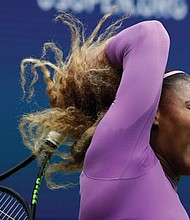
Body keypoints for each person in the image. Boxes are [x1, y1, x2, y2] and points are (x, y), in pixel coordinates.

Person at [19, 12, 190, 219]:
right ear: (154, 113)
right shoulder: (121, 158)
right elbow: (149, 35)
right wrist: (84, 75)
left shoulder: (162, 191)